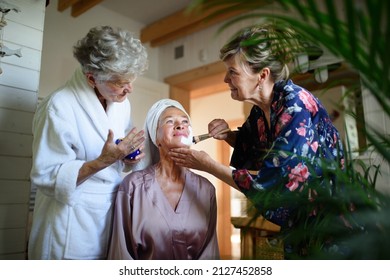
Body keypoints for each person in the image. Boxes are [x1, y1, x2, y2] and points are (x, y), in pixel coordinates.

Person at [169, 23, 347, 258]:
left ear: (262, 75)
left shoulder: (296, 106)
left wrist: (207, 164)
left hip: (332, 226)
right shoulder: (260, 112)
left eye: (232, 72)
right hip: (300, 227)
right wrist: (229, 136)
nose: (225, 79)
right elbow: (257, 152)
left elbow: (274, 183)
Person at [28, 26, 148, 259]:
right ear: (92, 77)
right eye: (121, 82)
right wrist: (103, 161)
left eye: (131, 80)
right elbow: (46, 176)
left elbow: (118, 152)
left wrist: (128, 156)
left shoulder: (121, 102)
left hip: (107, 212)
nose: (129, 89)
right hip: (68, 219)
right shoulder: (59, 106)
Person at [107, 99, 220, 260]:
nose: (180, 125)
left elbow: (210, 254)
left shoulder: (206, 189)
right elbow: (120, 253)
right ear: (156, 138)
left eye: (185, 121)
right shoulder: (132, 187)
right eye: (169, 121)